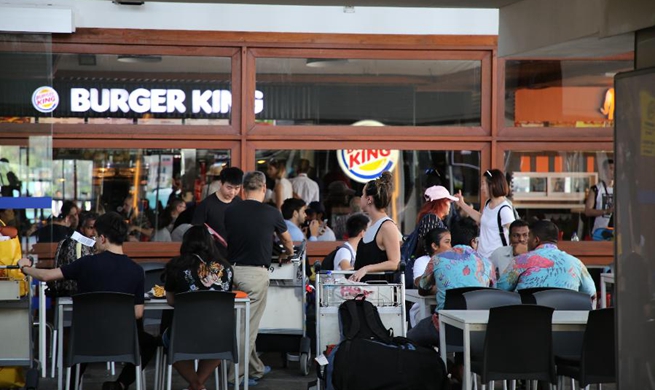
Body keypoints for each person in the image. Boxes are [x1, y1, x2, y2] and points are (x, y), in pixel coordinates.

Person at [17, 212, 157, 390]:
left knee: (81, 335)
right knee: (150, 342)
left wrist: (25, 267)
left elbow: (46, 276)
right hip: (123, 342)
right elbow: (138, 313)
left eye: (96, 237)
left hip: (85, 340)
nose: (94, 240)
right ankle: (120, 384)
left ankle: (73, 385)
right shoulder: (137, 271)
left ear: (104, 238)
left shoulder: (85, 264)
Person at [224, 171, 294, 386]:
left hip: (232, 272)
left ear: (243, 190)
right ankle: (236, 376)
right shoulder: (272, 213)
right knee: (248, 328)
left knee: (244, 324)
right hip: (255, 275)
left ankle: (255, 368)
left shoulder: (231, 211)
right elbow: (288, 241)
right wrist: (287, 254)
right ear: (264, 188)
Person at [163, 225, 233, 390]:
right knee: (220, 343)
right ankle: (198, 384)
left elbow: (171, 301)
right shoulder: (226, 268)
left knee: (167, 339)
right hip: (219, 335)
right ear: (210, 243)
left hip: (184, 334)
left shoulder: (176, 266)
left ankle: (195, 385)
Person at [408, 218, 494, 348]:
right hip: (478, 329)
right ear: (473, 241)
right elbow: (493, 291)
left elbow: (422, 289)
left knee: (409, 337)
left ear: (452, 239)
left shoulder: (437, 260)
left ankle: (437, 365)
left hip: (446, 327)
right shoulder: (487, 263)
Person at [497, 220, 597, 300]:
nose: (526, 241)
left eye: (529, 236)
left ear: (536, 240)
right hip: (566, 321)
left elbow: (500, 289)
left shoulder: (521, 261)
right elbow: (591, 293)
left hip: (527, 320)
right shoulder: (576, 263)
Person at [351, 171, 402, 282]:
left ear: (369, 199)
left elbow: (394, 262)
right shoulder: (372, 224)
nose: (360, 197)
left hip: (378, 293)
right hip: (363, 292)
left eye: (362, 194)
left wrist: (366, 269)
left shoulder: (387, 227)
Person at [455, 169, 516, 258]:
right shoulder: (488, 203)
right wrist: (462, 204)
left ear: (493, 185)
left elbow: (514, 232)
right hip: (483, 257)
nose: (481, 188)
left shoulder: (504, 209)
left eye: (483, 184)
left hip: (498, 260)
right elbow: (482, 218)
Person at [192, 167, 244, 258]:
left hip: (236, 257)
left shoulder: (240, 204)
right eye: (229, 187)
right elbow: (195, 233)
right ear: (221, 183)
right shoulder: (206, 205)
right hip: (213, 257)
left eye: (237, 188)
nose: (232, 192)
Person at [408, 227, 452, 328]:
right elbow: (419, 283)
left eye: (450, 242)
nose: (451, 246)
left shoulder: (452, 262)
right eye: (447, 242)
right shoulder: (422, 261)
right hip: (424, 309)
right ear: (434, 246)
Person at [49, 212, 99, 297]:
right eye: (90, 228)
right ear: (82, 229)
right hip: (73, 292)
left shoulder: (97, 244)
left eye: (97, 229)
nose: (94, 232)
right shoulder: (72, 244)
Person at [584, 158, 614, 237]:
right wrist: (606, 211)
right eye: (611, 168)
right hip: (599, 231)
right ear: (604, 171)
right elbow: (587, 211)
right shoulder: (596, 189)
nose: (613, 172)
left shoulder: (620, 189)